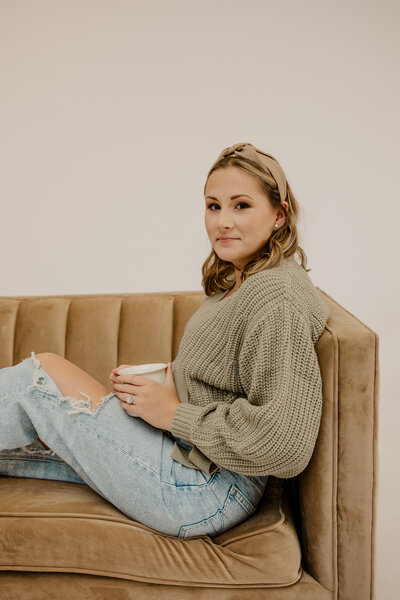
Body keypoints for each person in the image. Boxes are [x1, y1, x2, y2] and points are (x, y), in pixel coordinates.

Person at [0, 142, 329, 539]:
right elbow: (226, 385)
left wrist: (173, 413)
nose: (223, 221)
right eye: (213, 206)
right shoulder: (240, 282)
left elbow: (285, 442)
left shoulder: (275, 296)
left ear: (279, 215)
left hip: (207, 489)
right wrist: (164, 391)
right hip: (192, 462)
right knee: (31, 433)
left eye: (241, 205)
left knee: (40, 380)